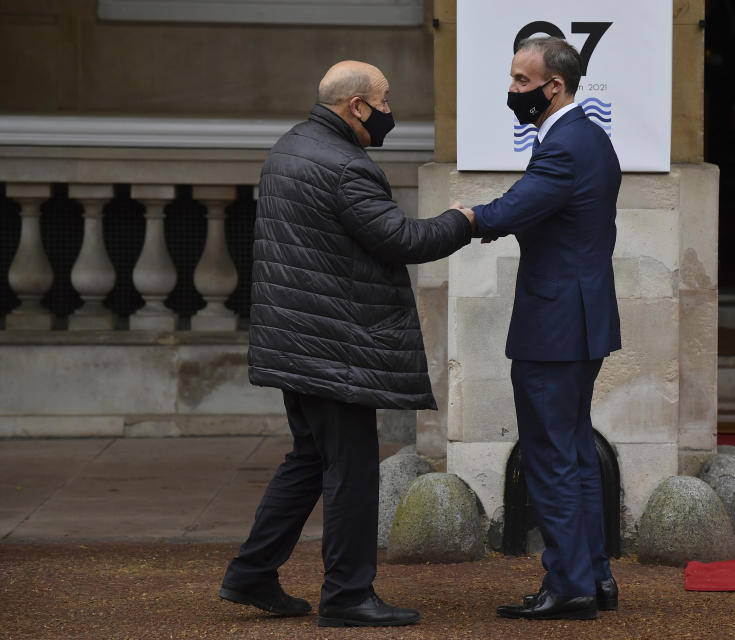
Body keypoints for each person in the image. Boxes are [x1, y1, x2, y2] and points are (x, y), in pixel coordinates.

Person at [218, 60, 475, 628]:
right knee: (352, 470)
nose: (389, 111)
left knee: (309, 458)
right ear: (357, 106)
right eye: (383, 101)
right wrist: (464, 219)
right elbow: (402, 239)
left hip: (299, 337)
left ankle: (252, 573)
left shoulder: (291, 147)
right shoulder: (345, 166)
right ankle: (348, 594)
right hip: (335, 346)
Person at [458, 37, 622, 620]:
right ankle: (594, 577)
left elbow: (512, 209)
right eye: (511, 79)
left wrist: (460, 221)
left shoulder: (566, 146)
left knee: (552, 456)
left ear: (555, 86)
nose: (512, 91)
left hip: (555, 325)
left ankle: (569, 586)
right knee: (572, 451)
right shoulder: (589, 137)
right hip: (580, 318)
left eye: (522, 82)